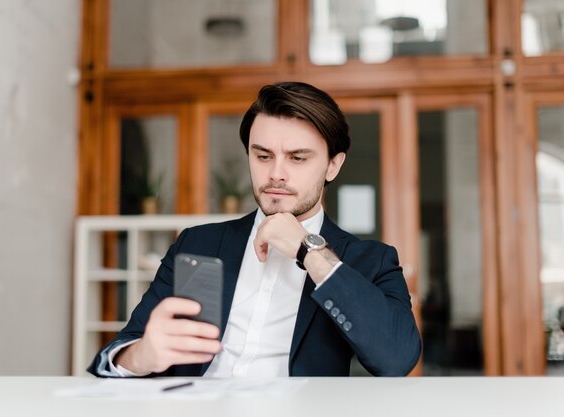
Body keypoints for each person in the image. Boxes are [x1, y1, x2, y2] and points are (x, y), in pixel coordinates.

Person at [88, 81, 421, 377]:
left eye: (297, 158)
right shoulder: (198, 243)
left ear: (333, 165)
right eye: (263, 156)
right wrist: (141, 356)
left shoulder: (369, 261)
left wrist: (310, 252)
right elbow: (119, 352)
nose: (276, 174)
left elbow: (396, 359)